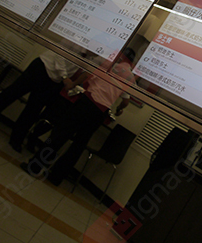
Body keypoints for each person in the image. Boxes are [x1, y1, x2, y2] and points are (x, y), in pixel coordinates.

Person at [21, 48, 136, 186]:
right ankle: (56, 176)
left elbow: (87, 74)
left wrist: (72, 84)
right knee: (78, 145)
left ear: (122, 55)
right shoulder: (130, 77)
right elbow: (125, 101)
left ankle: (35, 166)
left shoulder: (110, 63)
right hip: (100, 113)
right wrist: (119, 109)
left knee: (60, 134)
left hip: (87, 103)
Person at [0, 49, 86, 152]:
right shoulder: (78, 40)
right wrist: (65, 77)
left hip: (55, 81)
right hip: (43, 66)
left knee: (33, 110)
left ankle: (17, 138)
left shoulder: (93, 57)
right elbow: (60, 54)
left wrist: (69, 81)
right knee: (11, 93)